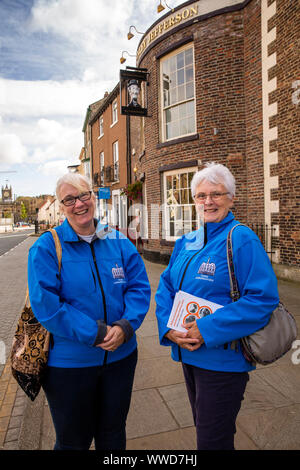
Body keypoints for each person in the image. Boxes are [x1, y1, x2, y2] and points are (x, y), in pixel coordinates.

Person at [155, 162, 279, 450]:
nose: (208, 201)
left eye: (216, 194)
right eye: (201, 195)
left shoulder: (241, 238)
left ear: (231, 198)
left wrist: (205, 328)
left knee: (212, 441)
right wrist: (169, 328)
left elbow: (263, 299)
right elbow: (166, 288)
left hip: (223, 361)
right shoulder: (185, 241)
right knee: (206, 431)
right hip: (187, 354)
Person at [28, 173, 151, 450]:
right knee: (73, 442)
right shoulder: (46, 247)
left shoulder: (117, 239)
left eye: (84, 195)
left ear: (93, 197)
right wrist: (97, 333)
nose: (79, 204)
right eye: (69, 199)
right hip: (69, 367)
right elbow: (47, 306)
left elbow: (139, 288)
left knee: (113, 436)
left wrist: (125, 326)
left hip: (121, 360)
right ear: (61, 206)